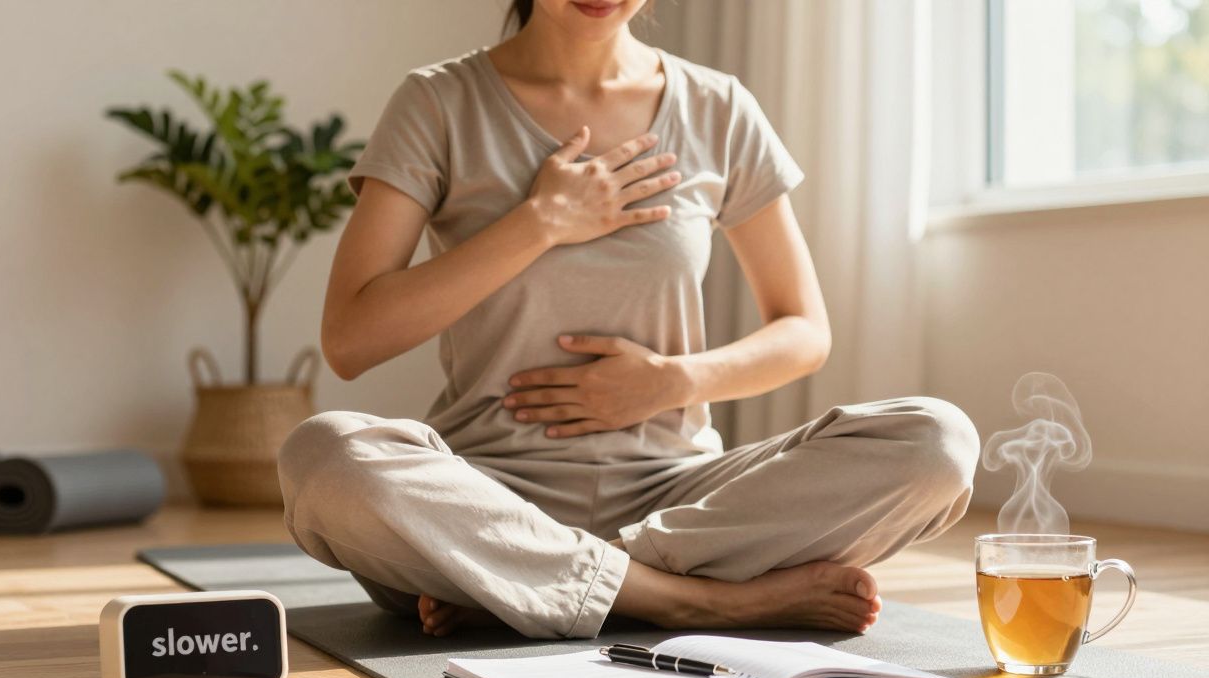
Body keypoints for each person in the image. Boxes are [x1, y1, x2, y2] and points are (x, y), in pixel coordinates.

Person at [278, 0, 979, 640]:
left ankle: (543, 583)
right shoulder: (437, 102)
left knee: (938, 442)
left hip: (682, 505)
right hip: (484, 498)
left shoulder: (717, 107)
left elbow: (803, 330)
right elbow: (351, 338)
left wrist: (673, 382)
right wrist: (541, 222)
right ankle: (699, 602)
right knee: (323, 457)